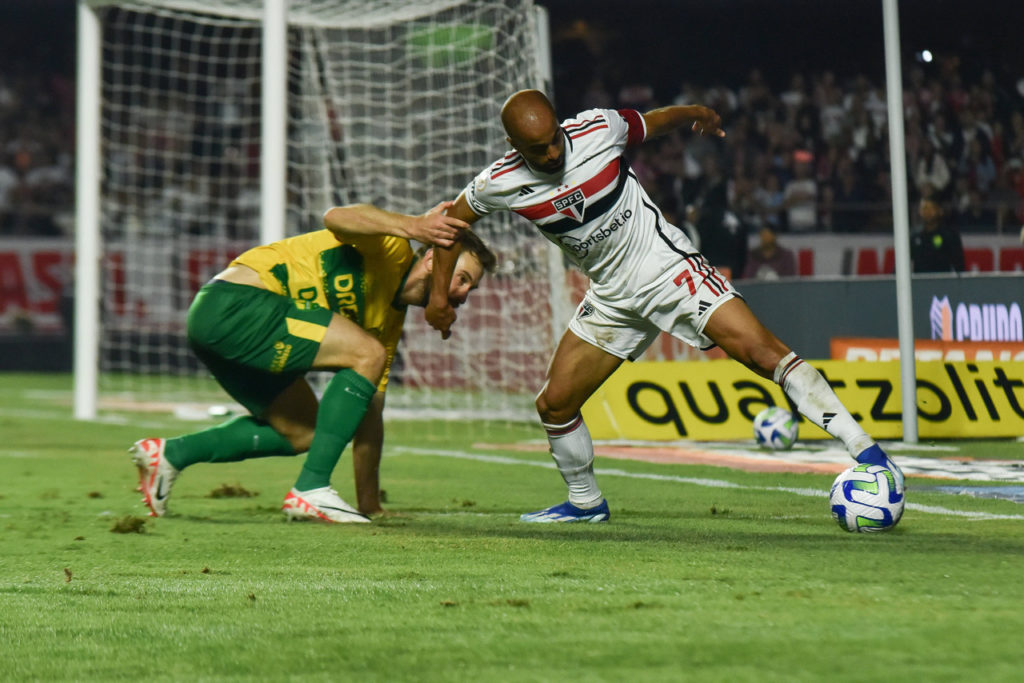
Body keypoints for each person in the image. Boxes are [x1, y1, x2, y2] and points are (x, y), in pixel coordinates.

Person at [425, 89, 902, 523]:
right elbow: (449, 228)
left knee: (764, 353)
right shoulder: (499, 182)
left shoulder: (596, 130)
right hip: (611, 297)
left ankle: (870, 457)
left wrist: (696, 113)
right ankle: (586, 503)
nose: (551, 153)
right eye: (537, 149)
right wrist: (440, 296)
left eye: (553, 140)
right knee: (555, 404)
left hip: (668, 271)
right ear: (513, 146)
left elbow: (653, 121)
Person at [131, 202, 496, 522]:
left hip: (226, 331)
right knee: (367, 353)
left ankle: (169, 455)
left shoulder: (385, 326)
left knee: (304, 430)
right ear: (432, 258)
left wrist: (370, 504)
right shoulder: (392, 249)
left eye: (470, 288)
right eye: (462, 279)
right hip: (235, 304)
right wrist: (412, 225)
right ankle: (312, 487)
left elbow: (369, 414)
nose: (463, 295)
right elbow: (336, 217)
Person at [910, 197, 964, 273]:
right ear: (920, 212)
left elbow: (959, 266)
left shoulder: (950, 235)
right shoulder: (915, 237)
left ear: (940, 211)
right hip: (920, 283)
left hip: (943, 282)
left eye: (931, 208)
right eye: (924, 208)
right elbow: (902, 262)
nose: (927, 212)